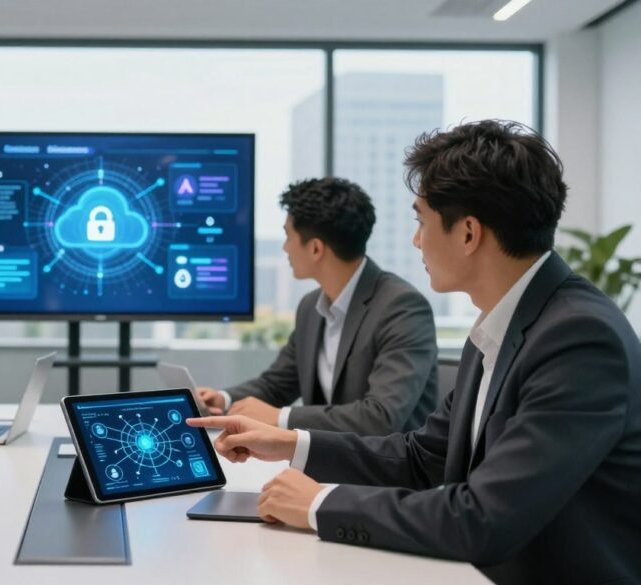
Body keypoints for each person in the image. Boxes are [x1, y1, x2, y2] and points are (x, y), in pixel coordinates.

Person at [188, 120, 641, 585]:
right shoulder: (503, 324)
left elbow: (483, 518)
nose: (416, 240)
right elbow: (423, 457)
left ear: (468, 234)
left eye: (421, 221)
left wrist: (318, 505)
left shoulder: (579, 338)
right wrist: (292, 443)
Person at [197, 177, 438, 435]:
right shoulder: (311, 307)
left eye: (288, 236)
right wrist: (223, 399)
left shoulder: (402, 308)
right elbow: (277, 385)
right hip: (330, 463)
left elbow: (379, 417)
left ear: (315, 248)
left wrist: (280, 418)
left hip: (386, 470)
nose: (285, 247)